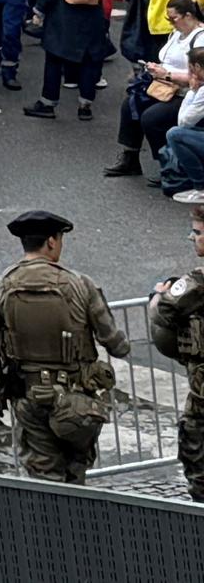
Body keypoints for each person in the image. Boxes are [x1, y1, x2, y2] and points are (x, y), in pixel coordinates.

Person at [0, 208, 132, 484]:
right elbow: (115, 343)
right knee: (75, 471)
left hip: (27, 397)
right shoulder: (80, 284)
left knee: (44, 476)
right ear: (51, 241)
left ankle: (51, 524)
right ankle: (77, 523)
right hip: (75, 399)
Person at [144, 200, 204, 502]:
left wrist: (159, 294)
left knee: (197, 453)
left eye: (197, 231)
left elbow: (163, 312)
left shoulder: (198, 280)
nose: (192, 237)